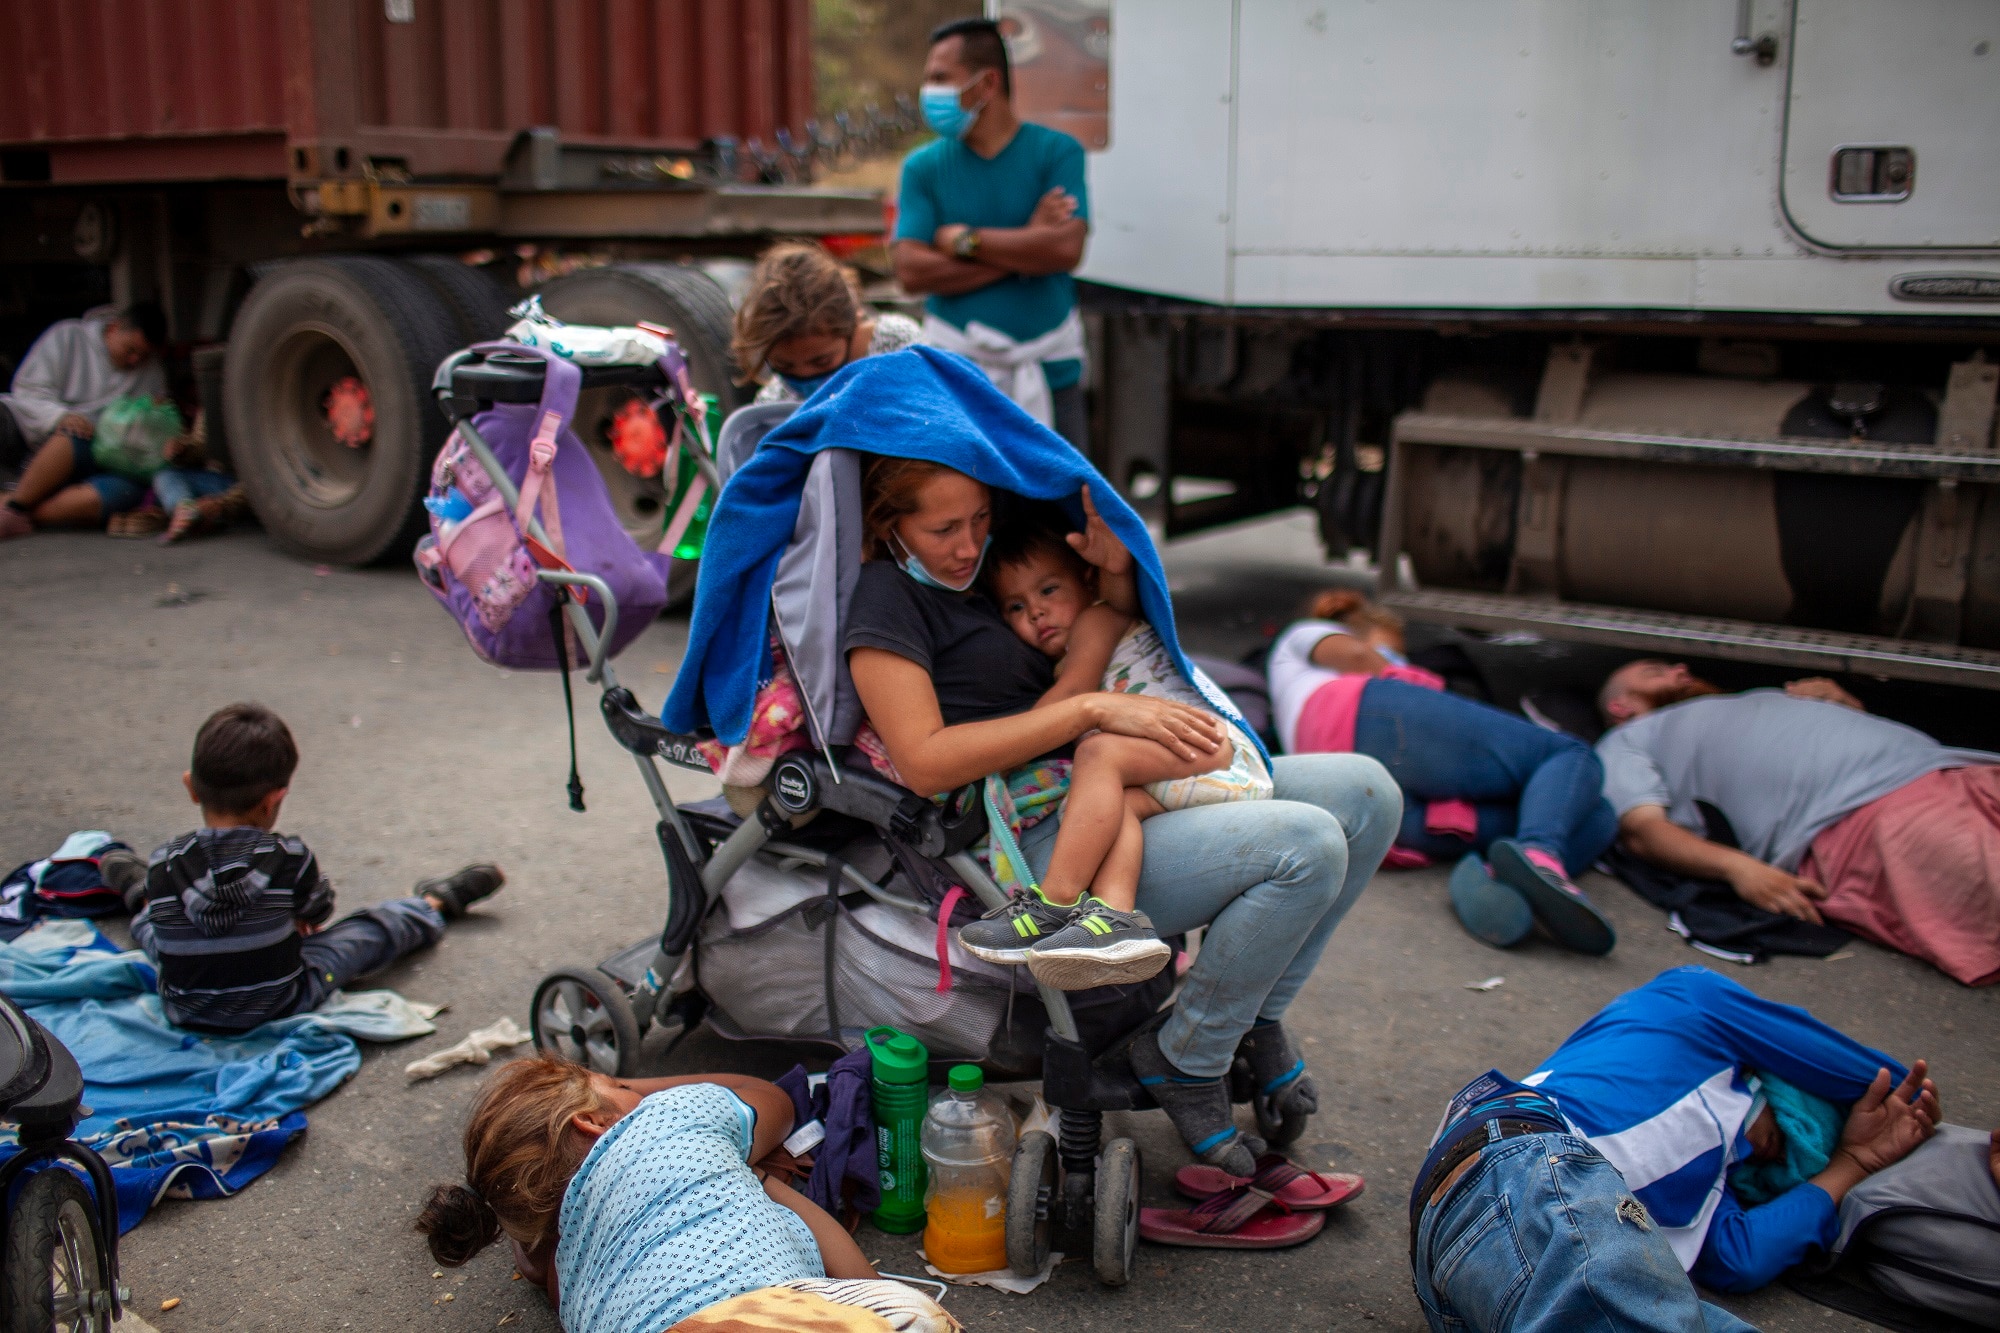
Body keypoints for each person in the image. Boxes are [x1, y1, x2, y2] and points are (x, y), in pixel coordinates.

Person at [844, 455, 1399, 1178]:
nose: (968, 543)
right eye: (944, 527)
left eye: (979, 519)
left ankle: (1253, 1017)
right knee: (1309, 846)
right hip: (1055, 823)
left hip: (1120, 768)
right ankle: (1186, 1057)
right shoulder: (887, 597)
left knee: (1367, 793)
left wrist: (1110, 578)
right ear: (891, 526)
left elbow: (1090, 613)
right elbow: (923, 759)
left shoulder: (985, 558)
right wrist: (1092, 707)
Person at [1411, 968, 1941, 1332]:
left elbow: (1740, 1257)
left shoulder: (1709, 1171)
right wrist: (1906, 1098)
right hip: (1522, 1165)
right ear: (1774, 1082)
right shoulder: (1689, 1006)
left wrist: (1855, 1163)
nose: (1770, 1159)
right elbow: (1887, 1081)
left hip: (1471, 1254)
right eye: (1787, 1138)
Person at [959, 506, 1272, 989]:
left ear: (1086, 583)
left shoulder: (1096, 621)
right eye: (1015, 607)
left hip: (1213, 748)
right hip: (1191, 770)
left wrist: (1001, 747)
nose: (1036, 612)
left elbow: (1074, 696)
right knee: (1111, 806)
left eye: (1048, 590)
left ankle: (1054, 904)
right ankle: (1113, 923)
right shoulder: (1074, 642)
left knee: (1098, 754)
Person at [1596, 659, 2000, 985]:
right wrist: (1741, 869)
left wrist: (1842, 705)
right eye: (1656, 673)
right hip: (1864, 813)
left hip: (1957, 769)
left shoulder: (1748, 699)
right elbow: (1643, 831)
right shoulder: (1628, 740)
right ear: (1621, 706)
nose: (1680, 670)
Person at [1268, 591, 1620, 955]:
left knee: (1598, 817)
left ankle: (1504, 882)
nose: (1399, 662)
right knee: (1569, 754)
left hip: (1371, 805)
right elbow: (1356, 655)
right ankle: (1538, 855)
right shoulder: (1303, 634)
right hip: (1365, 719)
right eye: (1391, 651)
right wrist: (1402, 673)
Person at [418, 1058, 877, 1333]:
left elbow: (533, 1263)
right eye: (618, 1087)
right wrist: (641, 1093)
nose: (632, 1090)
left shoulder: (567, 1284)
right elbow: (770, 1098)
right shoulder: (667, 1121)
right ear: (590, 1121)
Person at [125, 702, 504, 1032]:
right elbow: (318, 913)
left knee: (154, 923)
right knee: (364, 935)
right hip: (280, 1001)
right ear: (273, 801)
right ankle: (432, 904)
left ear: (191, 787)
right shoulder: (289, 858)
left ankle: (130, 885)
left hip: (185, 1008)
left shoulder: (164, 861)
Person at [893, 18, 1092, 448]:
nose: (929, 93)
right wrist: (1026, 246)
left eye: (941, 78)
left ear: (987, 83)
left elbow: (1066, 249)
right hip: (956, 381)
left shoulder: (1057, 153)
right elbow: (910, 271)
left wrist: (966, 242)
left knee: (1067, 513)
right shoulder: (923, 167)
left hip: (1050, 376)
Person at [0, 302, 168, 538]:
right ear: (113, 329)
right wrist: (59, 416)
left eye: (141, 356)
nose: (134, 360)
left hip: (95, 454)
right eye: (130, 350)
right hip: (34, 430)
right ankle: (17, 504)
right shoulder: (69, 336)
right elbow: (28, 390)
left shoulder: (151, 373)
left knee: (115, 493)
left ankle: (13, 507)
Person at [731, 241, 923, 404]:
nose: (805, 375)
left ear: (854, 325)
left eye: (822, 361)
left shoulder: (899, 347)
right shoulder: (776, 399)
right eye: (784, 366)